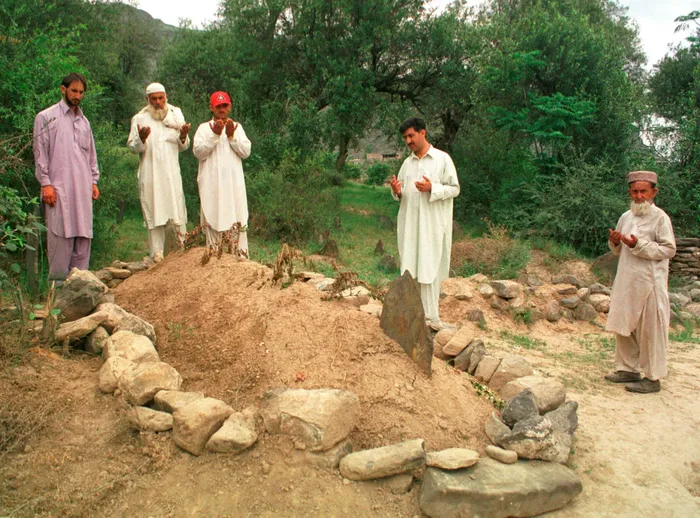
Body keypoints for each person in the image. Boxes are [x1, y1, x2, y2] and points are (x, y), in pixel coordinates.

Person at [605, 171, 676, 394]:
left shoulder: (660, 218)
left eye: (643, 191)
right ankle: (627, 369)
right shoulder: (626, 217)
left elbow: (668, 249)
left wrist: (639, 245)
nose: (639, 196)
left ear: (653, 192)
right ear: (629, 193)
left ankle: (652, 378)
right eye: (635, 191)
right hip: (627, 279)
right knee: (624, 325)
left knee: (650, 330)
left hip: (650, 284)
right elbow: (617, 251)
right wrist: (615, 241)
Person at [389, 117, 460, 331]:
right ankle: (413, 316)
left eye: (411, 135)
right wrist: (396, 190)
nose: (408, 141)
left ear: (423, 133)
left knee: (429, 266)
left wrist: (433, 188)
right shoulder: (407, 163)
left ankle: (431, 318)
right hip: (410, 225)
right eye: (405, 138)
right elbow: (401, 193)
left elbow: (454, 188)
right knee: (411, 266)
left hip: (432, 225)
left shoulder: (442, 159)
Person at [33, 72, 100, 281]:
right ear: (63, 90)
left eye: (81, 92)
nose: (77, 96)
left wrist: (93, 181)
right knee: (59, 237)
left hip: (82, 190)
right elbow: (40, 153)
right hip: (58, 188)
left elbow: (91, 155)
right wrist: (45, 183)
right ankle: (57, 297)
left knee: (83, 238)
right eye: (73, 91)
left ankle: (80, 292)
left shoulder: (84, 122)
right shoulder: (46, 117)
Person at [127, 83, 191, 262]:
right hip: (151, 173)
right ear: (147, 99)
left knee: (176, 211)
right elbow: (133, 147)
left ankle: (182, 253)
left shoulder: (175, 114)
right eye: (153, 99)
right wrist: (142, 139)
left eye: (160, 98)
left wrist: (184, 136)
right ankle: (157, 255)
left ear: (166, 97)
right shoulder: (139, 119)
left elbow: (184, 145)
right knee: (154, 212)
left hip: (171, 174)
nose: (157, 102)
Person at [192, 91, 252, 255]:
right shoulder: (204, 129)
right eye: (218, 106)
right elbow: (198, 152)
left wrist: (232, 136)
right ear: (211, 107)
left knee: (237, 218)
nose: (222, 109)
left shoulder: (237, 128)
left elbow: (246, 152)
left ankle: (240, 259)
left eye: (224, 105)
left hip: (234, 186)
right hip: (213, 186)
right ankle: (213, 260)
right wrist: (215, 135)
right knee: (214, 215)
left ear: (230, 106)